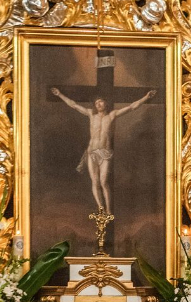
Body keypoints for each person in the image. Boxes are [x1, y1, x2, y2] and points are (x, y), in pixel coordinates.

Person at [52, 87, 157, 215]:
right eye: (96, 103)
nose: (98, 104)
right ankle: (100, 208)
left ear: (105, 103)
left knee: (103, 181)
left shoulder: (112, 115)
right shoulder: (91, 114)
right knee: (95, 181)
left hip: (105, 153)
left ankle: (108, 209)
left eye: (101, 102)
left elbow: (131, 107)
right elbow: (74, 105)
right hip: (92, 152)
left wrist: (146, 97)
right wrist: (60, 94)